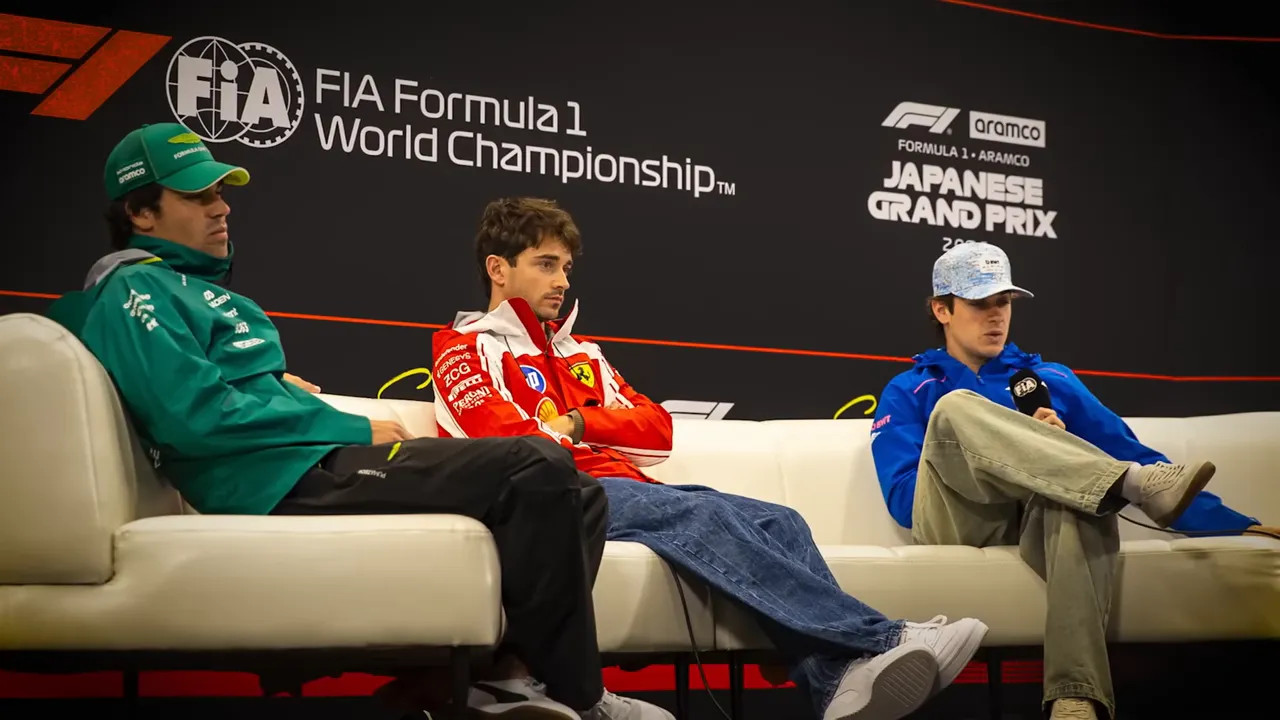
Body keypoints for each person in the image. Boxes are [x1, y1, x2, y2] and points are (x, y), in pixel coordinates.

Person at [45, 123, 670, 720]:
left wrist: (290, 398)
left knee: (582, 496)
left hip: (304, 460)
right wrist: (348, 427)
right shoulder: (134, 293)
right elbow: (194, 417)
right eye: (196, 195)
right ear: (140, 212)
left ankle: (497, 678)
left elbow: (218, 393)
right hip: (282, 479)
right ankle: (579, 697)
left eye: (220, 193)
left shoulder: (186, 289)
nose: (221, 208)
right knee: (537, 459)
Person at [430, 196, 991, 720]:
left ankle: (835, 683)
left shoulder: (582, 355)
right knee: (703, 515)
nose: (562, 281)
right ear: (498, 269)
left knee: (781, 520)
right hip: (559, 498)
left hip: (622, 487)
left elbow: (657, 434)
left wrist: (579, 421)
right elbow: (507, 439)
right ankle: (883, 639)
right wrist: (584, 437)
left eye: (567, 268)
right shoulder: (463, 347)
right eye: (546, 265)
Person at [869, 241, 1276, 720]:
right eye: (980, 304)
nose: (995, 316)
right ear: (942, 309)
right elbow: (903, 499)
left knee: (1085, 497)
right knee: (957, 410)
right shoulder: (910, 388)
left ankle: (1075, 698)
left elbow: (1136, 456)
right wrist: (1010, 449)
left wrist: (1236, 524)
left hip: (1040, 524)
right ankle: (1124, 482)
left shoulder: (1051, 379)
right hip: (956, 521)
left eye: (1003, 303)